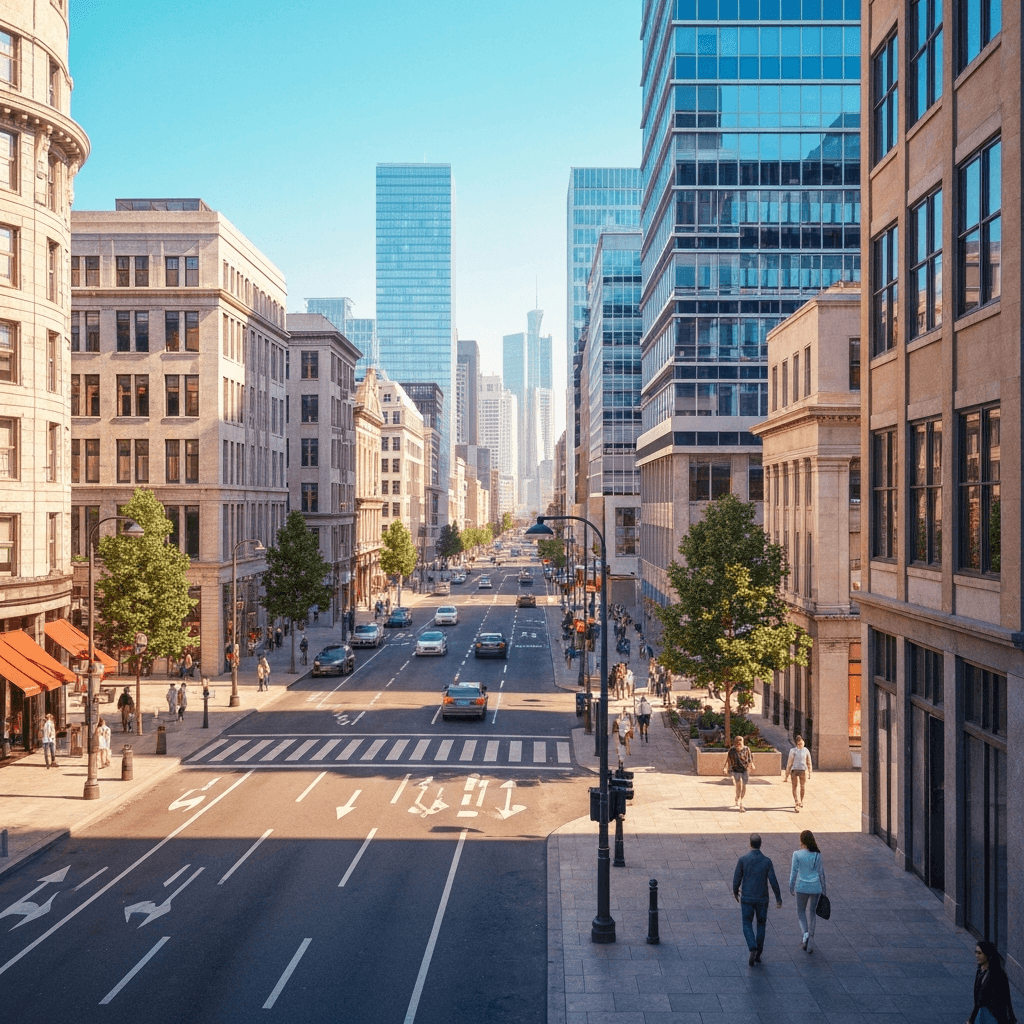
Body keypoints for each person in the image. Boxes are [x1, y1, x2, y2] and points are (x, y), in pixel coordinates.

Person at [732, 833, 782, 965]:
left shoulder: (743, 860)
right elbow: (773, 880)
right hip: (762, 899)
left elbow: (737, 878)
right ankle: (758, 953)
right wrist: (778, 898)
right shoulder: (767, 861)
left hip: (747, 897)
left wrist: (735, 891)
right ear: (760, 844)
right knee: (761, 925)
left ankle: (752, 947)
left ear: (750, 844)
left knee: (747, 923)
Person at [789, 829, 826, 953]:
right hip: (815, 887)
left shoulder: (797, 854)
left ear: (801, 841)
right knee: (812, 913)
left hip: (801, 886)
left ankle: (805, 933)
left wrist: (791, 886)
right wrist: (824, 890)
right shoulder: (817, 854)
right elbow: (821, 873)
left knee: (800, 911)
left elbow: (793, 872)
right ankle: (811, 937)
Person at [968, 940, 1018, 1024]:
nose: (977, 956)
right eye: (976, 952)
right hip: (981, 1015)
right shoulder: (980, 972)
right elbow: (977, 1000)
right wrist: (971, 1019)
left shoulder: (998, 975)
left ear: (988, 954)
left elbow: (1005, 998)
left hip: (993, 1016)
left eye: (980, 953)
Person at [723, 734, 755, 812]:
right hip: (736, 770)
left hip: (745, 770)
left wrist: (752, 765)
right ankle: (740, 800)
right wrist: (725, 768)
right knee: (739, 785)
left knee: (744, 786)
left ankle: (740, 798)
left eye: (740, 741)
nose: (739, 743)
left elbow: (750, 758)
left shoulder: (747, 749)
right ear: (734, 742)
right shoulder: (732, 750)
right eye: (737, 741)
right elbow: (728, 760)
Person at [785, 734, 813, 811]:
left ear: (803, 742)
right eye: (799, 743)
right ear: (796, 743)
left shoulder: (806, 751)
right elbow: (789, 763)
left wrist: (810, 772)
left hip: (803, 770)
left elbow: (809, 762)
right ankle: (796, 801)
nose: (800, 744)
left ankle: (801, 800)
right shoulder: (793, 751)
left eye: (801, 743)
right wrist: (786, 775)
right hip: (794, 770)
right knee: (794, 786)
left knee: (802, 786)